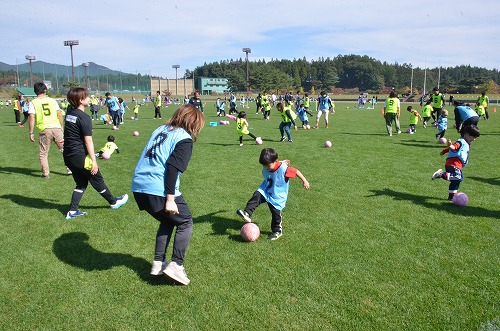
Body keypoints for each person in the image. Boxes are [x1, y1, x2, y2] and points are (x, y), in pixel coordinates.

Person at [132, 104, 205, 285]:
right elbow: (172, 168)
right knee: (185, 222)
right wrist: (170, 199)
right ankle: (176, 265)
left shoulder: (160, 129)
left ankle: (158, 263)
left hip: (139, 185)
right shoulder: (184, 138)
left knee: (168, 220)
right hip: (158, 187)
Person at [63, 88, 128, 220]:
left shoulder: (70, 114)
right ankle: (113, 202)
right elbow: (88, 141)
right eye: (87, 97)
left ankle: (72, 211)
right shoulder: (84, 117)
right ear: (80, 100)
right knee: (97, 179)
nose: (89, 99)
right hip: (80, 156)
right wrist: (94, 161)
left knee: (81, 183)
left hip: (69, 156)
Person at [236, 148, 310, 240]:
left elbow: (295, 171)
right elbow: (275, 164)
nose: (266, 167)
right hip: (266, 190)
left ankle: (277, 231)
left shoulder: (284, 169)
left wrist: (305, 181)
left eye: (268, 165)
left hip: (277, 196)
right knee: (257, 196)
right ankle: (247, 213)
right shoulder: (270, 164)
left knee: (275, 214)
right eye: (264, 165)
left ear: (275, 161)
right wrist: (280, 162)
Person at [28, 82, 68, 178]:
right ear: (45, 90)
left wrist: (31, 132)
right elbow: (59, 114)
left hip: (45, 129)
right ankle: (70, 168)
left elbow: (32, 118)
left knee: (43, 153)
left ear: (35, 91)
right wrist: (61, 127)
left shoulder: (33, 102)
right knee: (65, 149)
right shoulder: (52, 100)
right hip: (56, 127)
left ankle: (45, 173)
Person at [431, 125, 480, 201]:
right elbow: (454, 147)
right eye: (473, 137)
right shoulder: (461, 141)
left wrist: (444, 151)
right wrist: (450, 145)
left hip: (453, 164)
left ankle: (452, 196)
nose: (474, 139)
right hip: (454, 163)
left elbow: (452, 148)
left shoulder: (465, 143)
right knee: (458, 177)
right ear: (467, 135)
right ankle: (441, 174)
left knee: (456, 181)